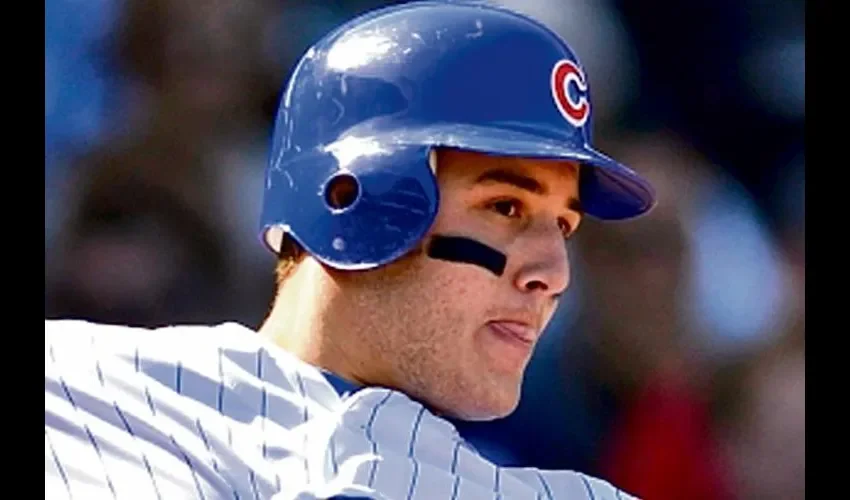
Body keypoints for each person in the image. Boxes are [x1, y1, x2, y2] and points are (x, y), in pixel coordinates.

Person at [45, 1, 657, 498]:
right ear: (348, 196)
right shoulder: (72, 380)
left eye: (564, 227)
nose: (554, 273)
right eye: (507, 208)